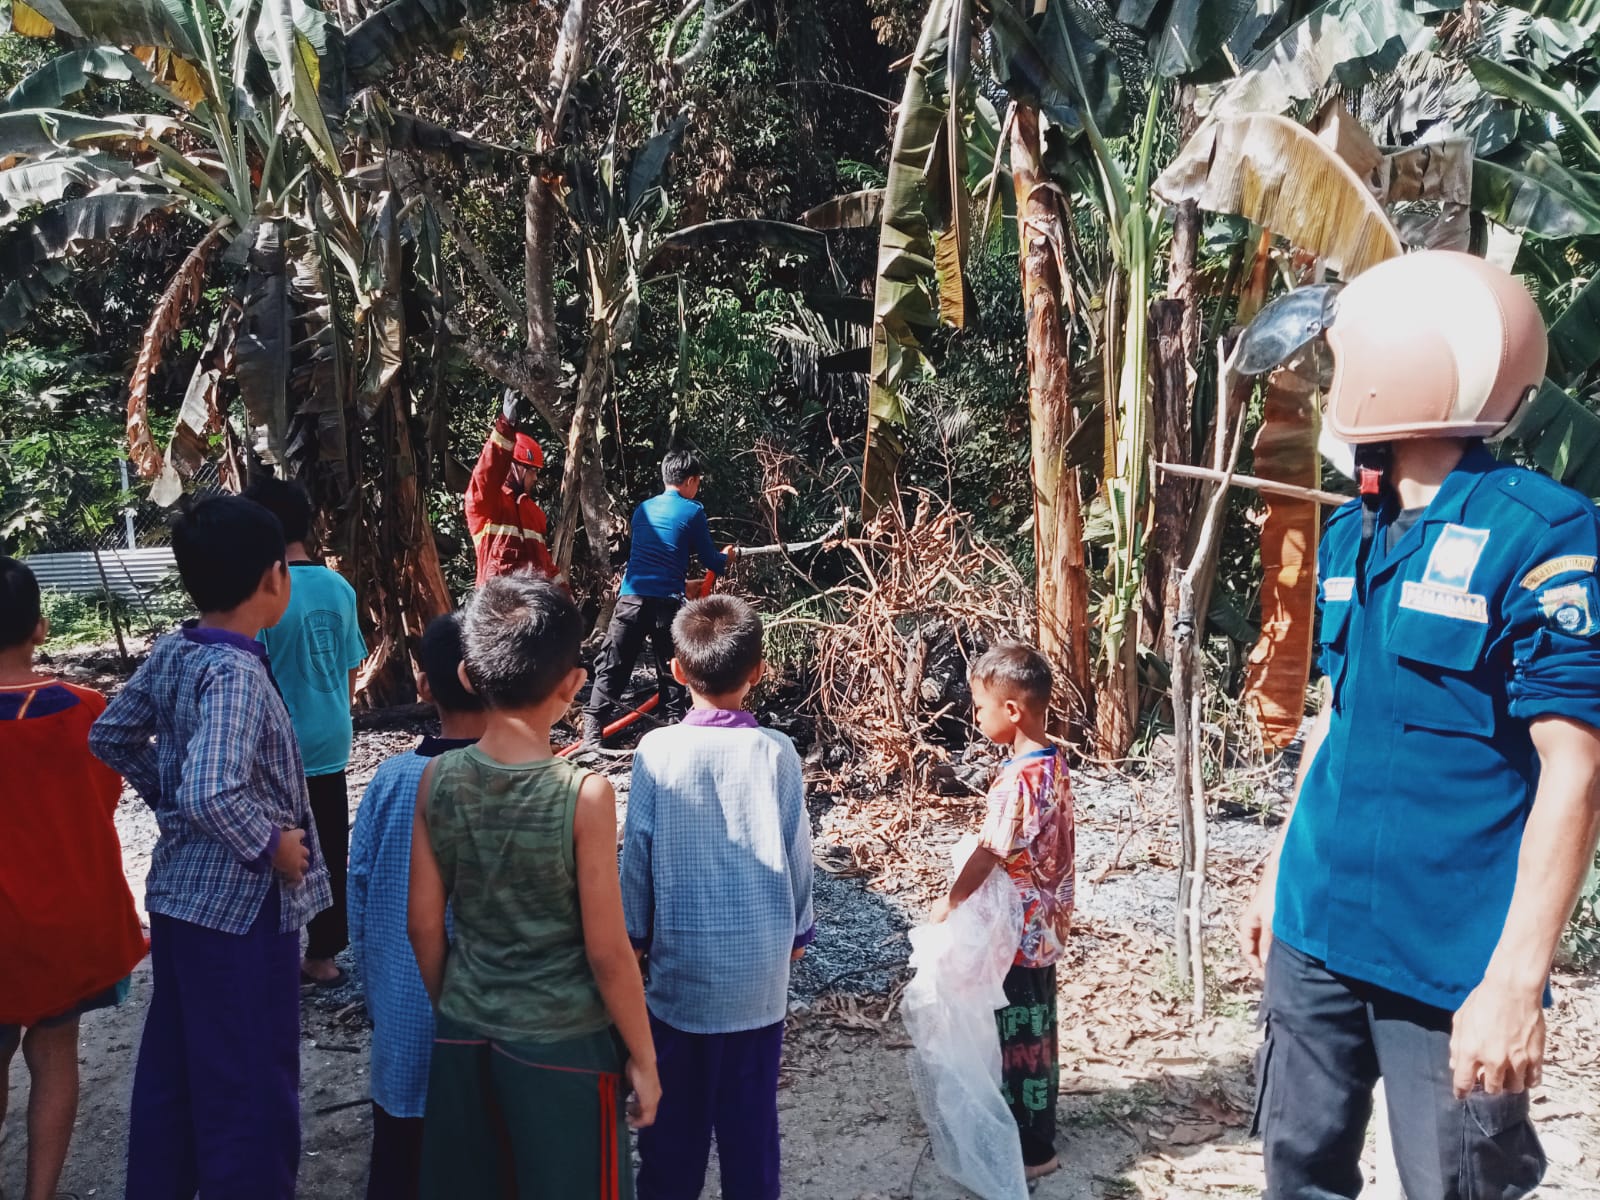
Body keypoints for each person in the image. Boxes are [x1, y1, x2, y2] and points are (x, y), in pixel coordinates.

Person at [1232, 250, 1600, 1200]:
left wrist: (1515, 982)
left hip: (1449, 962)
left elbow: (1575, 769)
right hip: (1315, 931)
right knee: (1298, 1174)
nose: (1328, 384)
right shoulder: (1352, 533)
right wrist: (1278, 873)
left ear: (1399, 366)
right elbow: (1336, 718)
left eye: (1338, 361)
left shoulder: (1540, 534)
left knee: (1457, 1186)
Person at [89, 495, 332, 1200]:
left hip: (179, 903)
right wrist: (270, 845)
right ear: (273, 578)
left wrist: (167, 797)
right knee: (250, 1089)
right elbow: (211, 792)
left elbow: (110, 735)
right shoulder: (236, 675)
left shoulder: (177, 651)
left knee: (177, 1070)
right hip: (241, 914)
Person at [407, 575, 659, 1198]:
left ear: (467, 676)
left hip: (466, 1031)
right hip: (564, 1045)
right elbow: (608, 952)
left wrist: (457, 1004)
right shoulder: (584, 795)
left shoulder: (438, 778)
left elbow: (422, 924)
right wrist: (644, 1056)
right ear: (573, 686)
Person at [619, 595, 815, 1200]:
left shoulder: (656, 751)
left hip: (681, 977)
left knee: (673, 1134)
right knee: (750, 1129)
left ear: (677, 670)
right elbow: (798, 851)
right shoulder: (777, 752)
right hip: (758, 980)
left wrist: (634, 937)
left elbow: (637, 856)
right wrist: (798, 933)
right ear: (758, 671)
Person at [0, 557, 146, 1200]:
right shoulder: (88, 710)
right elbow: (102, 799)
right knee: (56, 1057)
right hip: (71, 923)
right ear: (40, 626)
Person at [349, 612, 485, 1200]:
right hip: (496, 1026)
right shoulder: (528, 782)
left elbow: (359, 884)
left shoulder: (394, 779)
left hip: (404, 1009)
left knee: (401, 1160)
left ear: (425, 685)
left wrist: (372, 985)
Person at [930, 643, 1073, 1182]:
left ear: (1012, 710)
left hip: (1019, 931)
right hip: (1046, 924)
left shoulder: (1018, 780)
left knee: (1021, 1039)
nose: (975, 716)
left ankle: (1034, 1151)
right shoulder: (1051, 760)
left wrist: (951, 900)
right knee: (1038, 1030)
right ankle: (1038, 1129)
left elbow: (991, 851)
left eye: (979, 707)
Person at [245, 475, 368, 988]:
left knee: (274, 846)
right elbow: (351, 666)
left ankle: (270, 950)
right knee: (329, 845)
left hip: (277, 748)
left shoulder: (262, 592)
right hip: (331, 735)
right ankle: (323, 954)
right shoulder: (339, 586)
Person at [582, 449, 732, 747]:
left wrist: (682, 583)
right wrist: (729, 557)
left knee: (614, 663)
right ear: (690, 481)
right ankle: (673, 730)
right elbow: (712, 561)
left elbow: (651, 560)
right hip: (667, 605)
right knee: (672, 668)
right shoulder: (693, 511)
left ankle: (591, 736)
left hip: (631, 599)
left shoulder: (643, 510)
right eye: (698, 481)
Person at [466, 392, 558, 586]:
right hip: (495, 601)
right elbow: (487, 473)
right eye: (532, 471)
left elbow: (546, 567)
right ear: (514, 467)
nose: (535, 478)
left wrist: (565, 596)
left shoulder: (534, 514)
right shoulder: (487, 504)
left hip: (529, 602)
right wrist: (505, 427)